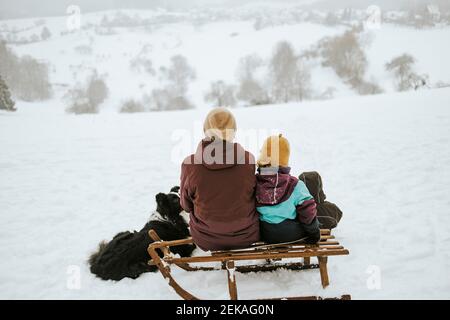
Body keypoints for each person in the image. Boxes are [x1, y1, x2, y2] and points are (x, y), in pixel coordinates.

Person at [180, 107, 259, 251]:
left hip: (206, 238)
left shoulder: (189, 164)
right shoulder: (249, 159)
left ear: (205, 130)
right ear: (233, 131)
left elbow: (186, 205)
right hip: (247, 235)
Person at [255, 134, 320, 244]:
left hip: (265, 234)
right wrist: (314, 232)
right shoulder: (295, 185)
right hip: (291, 234)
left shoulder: (255, 182)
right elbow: (308, 211)